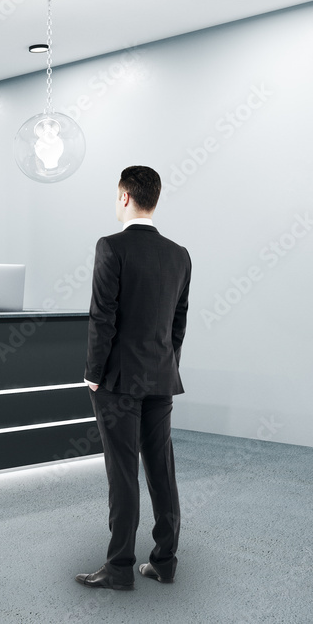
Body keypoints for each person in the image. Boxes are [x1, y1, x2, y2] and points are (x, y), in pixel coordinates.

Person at [76, 165, 191, 591]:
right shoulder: (180, 254)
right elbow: (178, 324)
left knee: (122, 471)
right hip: (162, 376)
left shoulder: (111, 246)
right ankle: (165, 561)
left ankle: (120, 567)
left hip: (119, 382)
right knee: (162, 469)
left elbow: (101, 318)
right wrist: (166, 364)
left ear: (124, 196)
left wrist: (93, 373)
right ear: (154, 199)